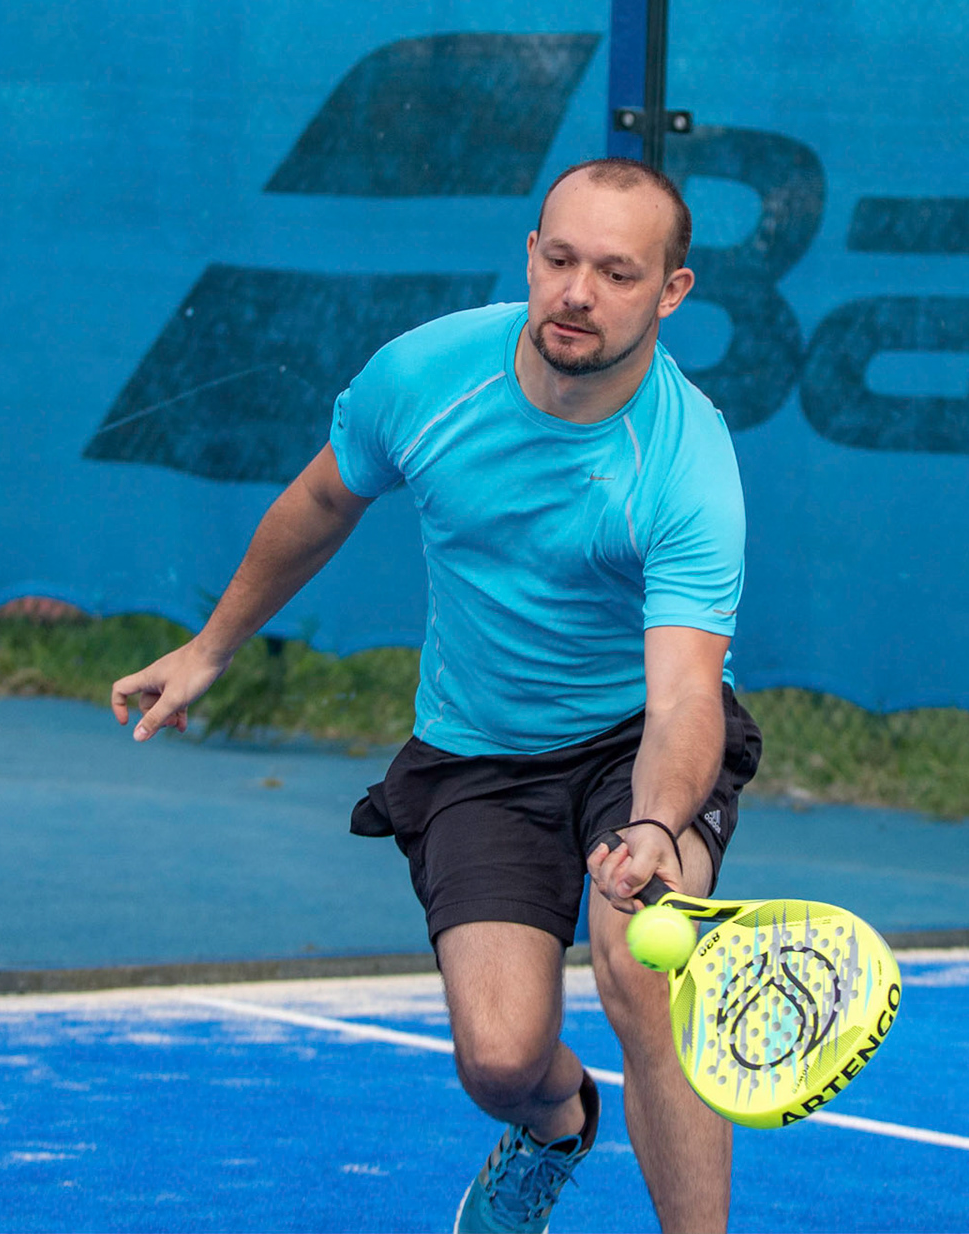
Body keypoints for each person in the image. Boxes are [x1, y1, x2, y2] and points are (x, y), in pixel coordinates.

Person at [110, 157, 758, 1234]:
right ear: (530, 256)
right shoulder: (426, 374)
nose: (578, 293)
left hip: (634, 740)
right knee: (501, 1060)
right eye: (560, 260)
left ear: (670, 292)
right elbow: (324, 499)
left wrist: (653, 824)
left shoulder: (685, 461)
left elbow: (687, 695)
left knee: (644, 964)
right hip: (478, 750)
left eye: (616, 272)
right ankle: (556, 1125)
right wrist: (211, 647)